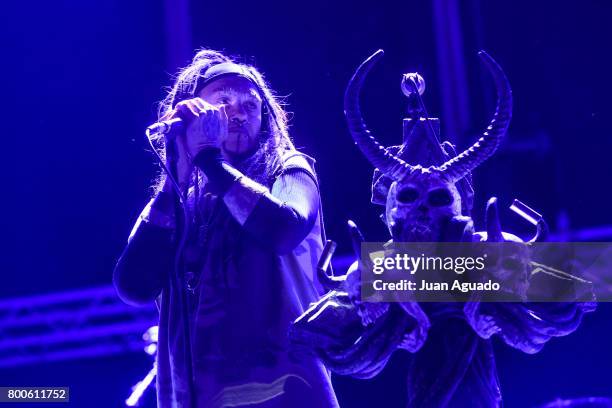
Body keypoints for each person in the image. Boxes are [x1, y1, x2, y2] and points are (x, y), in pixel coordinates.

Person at [113, 49, 339, 408]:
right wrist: (176, 176)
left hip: (287, 390)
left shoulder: (290, 170)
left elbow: (283, 228)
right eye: (223, 103)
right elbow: (133, 286)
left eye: (250, 106)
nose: (238, 114)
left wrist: (207, 157)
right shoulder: (181, 199)